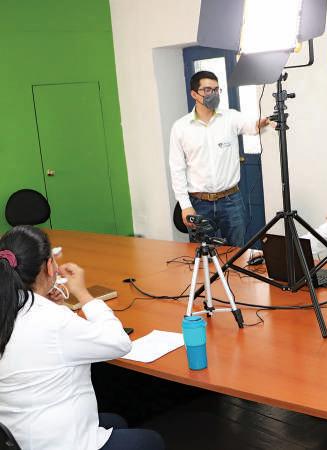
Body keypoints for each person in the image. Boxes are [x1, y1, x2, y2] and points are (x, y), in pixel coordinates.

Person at [0, 226, 164, 450]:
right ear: (49, 266)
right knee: (152, 441)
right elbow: (119, 342)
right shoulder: (53, 320)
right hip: (58, 443)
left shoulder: (10, 308)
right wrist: (83, 293)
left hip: (16, 437)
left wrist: (53, 305)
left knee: (116, 421)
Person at [169, 70, 272, 247]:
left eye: (217, 89)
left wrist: (262, 122)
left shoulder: (230, 117)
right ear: (194, 94)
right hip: (199, 203)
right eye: (208, 90)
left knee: (236, 253)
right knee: (204, 254)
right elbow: (177, 169)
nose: (214, 94)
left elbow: (252, 126)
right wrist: (185, 205)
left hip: (231, 201)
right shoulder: (181, 127)